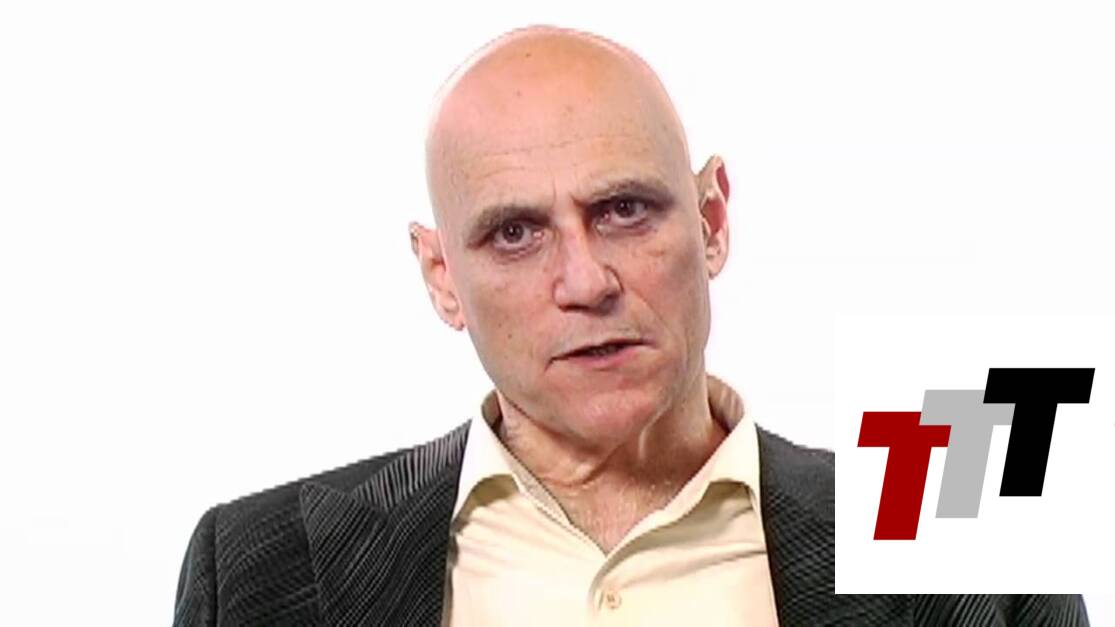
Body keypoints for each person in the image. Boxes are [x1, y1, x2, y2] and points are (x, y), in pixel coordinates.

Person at [172, 25, 1089, 626]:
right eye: (515, 233)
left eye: (623, 210)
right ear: (441, 277)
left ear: (712, 220)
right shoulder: (258, 565)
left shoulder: (964, 537)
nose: (585, 280)